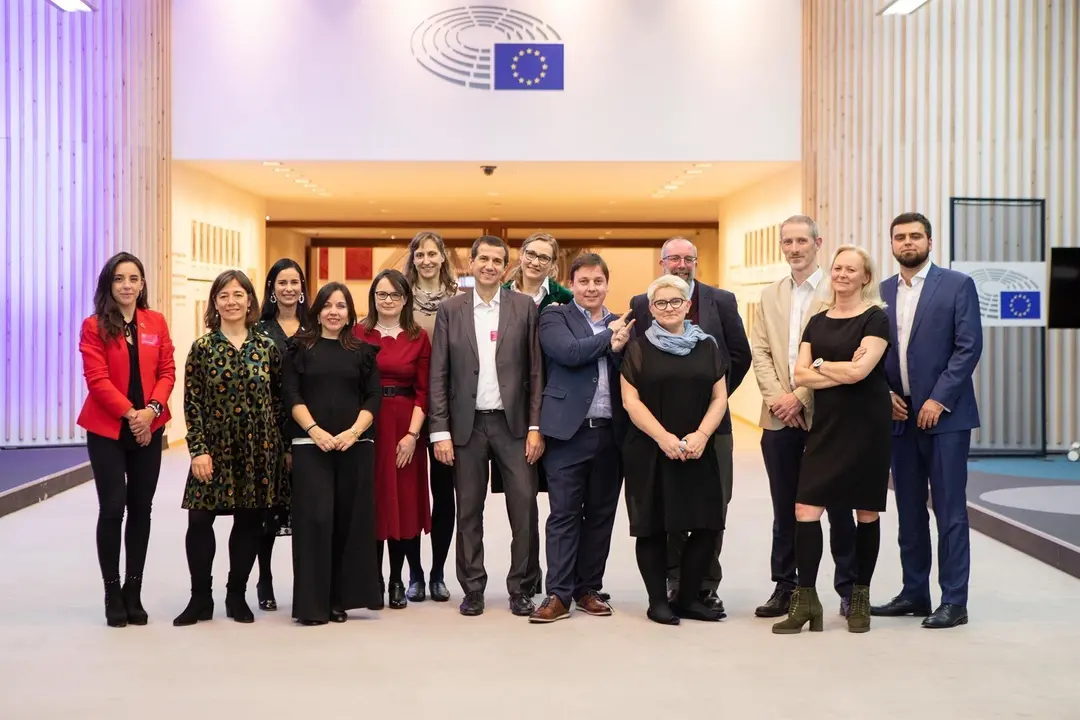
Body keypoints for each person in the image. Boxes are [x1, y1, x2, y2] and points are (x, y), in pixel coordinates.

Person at [871, 212, 983, 629]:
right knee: (909, 510)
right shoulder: (880, 291)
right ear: (891, 244)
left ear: (930, 242)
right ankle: (915, 593)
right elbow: (871, 349)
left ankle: (954, 600)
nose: (907, 243)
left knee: (950, 511)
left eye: (915, 236)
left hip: (945, 417)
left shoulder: (956, 285)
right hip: (899, 417)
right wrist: (884, 395)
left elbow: (968, 347)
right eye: (899, 237)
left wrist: (938, 399)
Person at [773, 245, 891, 635]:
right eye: (838, 268)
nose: (841, 274)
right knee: (805, 509)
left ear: (865, 277)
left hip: (867, 427)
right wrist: (835, 369)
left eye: (851, 269)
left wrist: (822, 366)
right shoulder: (818, 322)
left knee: (865, 512)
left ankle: (860, 597)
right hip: (826, 426)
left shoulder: (876, 318)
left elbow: (861, 372)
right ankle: (806, 600)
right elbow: (800, 375)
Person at [630, 236, 750, 615]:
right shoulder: (640, 305)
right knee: (664, 511)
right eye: (674, 258)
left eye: (688, 258)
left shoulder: (721, 302)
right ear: (662, 262)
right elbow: (632, 372)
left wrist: (707, 406)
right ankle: (672, 583)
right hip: (657, 432)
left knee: (710, 508)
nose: (681, 264)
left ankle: (703, 587)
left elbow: (739, 355)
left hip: (710, 429)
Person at [428, 235, 544, 617]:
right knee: (468, 511)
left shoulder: (524, 307)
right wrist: (440, 431)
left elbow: (536, 372)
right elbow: (439, 373)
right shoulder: (451, 310)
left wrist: (535, 426)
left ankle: (521, 588)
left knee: (524, 508)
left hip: (514, 427)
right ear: (472, 263)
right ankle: (473, 588)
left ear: (506, 268)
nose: (490, 266)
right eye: (484, 259)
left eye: (497, 261)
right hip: (468, 426)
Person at [749, 216, 858, 619]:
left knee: (839, 509)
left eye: (801, 241)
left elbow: (844, 355)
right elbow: (760, 351)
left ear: (817, 243)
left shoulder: (839, 290)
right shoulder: (770, 294)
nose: (794, 249)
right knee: (786, 508)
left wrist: (800, 396)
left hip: (829, 417)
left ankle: (849, 589)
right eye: (788, 242)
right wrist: (779, 399)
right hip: (779, 419)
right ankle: (786, 586)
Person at [174, 270, 286, 627]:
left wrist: (280, 449)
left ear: (250, 300)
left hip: (257, 449)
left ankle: (236, 594)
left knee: (249, 521)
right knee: (199, 519)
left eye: (238, 295)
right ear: (215, 303)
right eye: (224, 295)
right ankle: (200, 598)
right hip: (214, 448)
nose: (231, 302)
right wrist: (198, 450)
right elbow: (192, 403)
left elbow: (279, 401)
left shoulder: (266, 347)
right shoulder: (202, 348)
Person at [622, 274, 731, 626]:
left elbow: (719, 398)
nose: (668, 308)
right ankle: (658, 602)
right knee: (652, 526)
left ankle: (687, 599)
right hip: (651, 449)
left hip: (698, 448)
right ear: (651, 310)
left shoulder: (707, 346)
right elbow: (631, 401)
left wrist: (701, 435)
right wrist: (664, 438)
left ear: (687, 306)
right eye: (660, 303)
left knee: (707, 524)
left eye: (675, 302)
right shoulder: (638, 348)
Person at [528, 253, 630, 623]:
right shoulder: (555, 317)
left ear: (607, 284)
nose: (591, 288)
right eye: (583, 281)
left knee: (601, 515)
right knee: (564, 514)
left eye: (598, 281)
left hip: (610, 434)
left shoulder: (622, 324)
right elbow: (569, 353)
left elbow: (628, 369)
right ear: (571, 284)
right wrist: (610, 338)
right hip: (568, 433)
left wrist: (617, 340)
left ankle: (588, 588)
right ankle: (558, 594)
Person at [77, 252, 176, 628]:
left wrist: (151, 411)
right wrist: (133, 414)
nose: (127, 285)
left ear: (143, 284)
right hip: (108, 430)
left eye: (134, 278)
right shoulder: (94, 326)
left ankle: (133, 590)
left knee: (141, 508)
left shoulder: (156, 321)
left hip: (150, 427)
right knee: (112, 508)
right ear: (109, 284)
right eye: (119, 279)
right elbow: (97, 379)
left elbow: (167, 370)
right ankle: (112, 591)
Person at [285, 282, 383, 625]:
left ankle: (339, 599)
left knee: (347, 522)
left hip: (354, 448)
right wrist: (314, 431)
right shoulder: (298, 348)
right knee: (315, 521)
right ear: (317, 311)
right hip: (310, 447)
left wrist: (353, 433)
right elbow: (291, 394)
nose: (333, 312)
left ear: (349, 313)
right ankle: (312, 605)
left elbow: (373, 397)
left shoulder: (363, 352)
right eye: (327, 305)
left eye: (341, 306)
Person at [498, 231, 572, 596]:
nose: (535, 261)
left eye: (544, 257)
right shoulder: (500, 295)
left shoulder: (564, 300)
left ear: (553, 264)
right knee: (523, 500)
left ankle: (561, 579)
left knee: (560, 502)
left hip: (553, 407)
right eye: (531, 253)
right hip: (510, 409)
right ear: (521, 255)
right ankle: (527, 577)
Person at [357, 269, 432, 610]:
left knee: (403, 503)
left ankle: (397, 580)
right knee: (374, 502)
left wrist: (412, 436)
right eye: (381, 294)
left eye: (395, 295)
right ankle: (371, 579)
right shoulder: (358, 333)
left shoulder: (418, 337)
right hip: (368, 424)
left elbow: (424, 391)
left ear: (405, 300)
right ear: (373, 298)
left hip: (405, 427)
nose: (388, 300)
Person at [403, 230, 458, 602]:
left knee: (444, 492)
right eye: (419, 254)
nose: (426, 260)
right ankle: (415, 573)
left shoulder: (459, 300)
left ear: (442, 257)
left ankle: (438, 572)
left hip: (447, 410)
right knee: (408, 491)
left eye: (432, 254)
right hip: (408, 408)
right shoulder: (400, 298)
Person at [254, 258, 310, 612]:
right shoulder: (258, 330)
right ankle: (265, 579)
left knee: (307, 513)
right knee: (267, 511)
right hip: (268, 431)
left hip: (309, 429)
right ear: (272, 289)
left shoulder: (316, 327)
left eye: (294, 282)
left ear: (302, 288)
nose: (289, 288)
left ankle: (306, 583)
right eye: (282, 283)